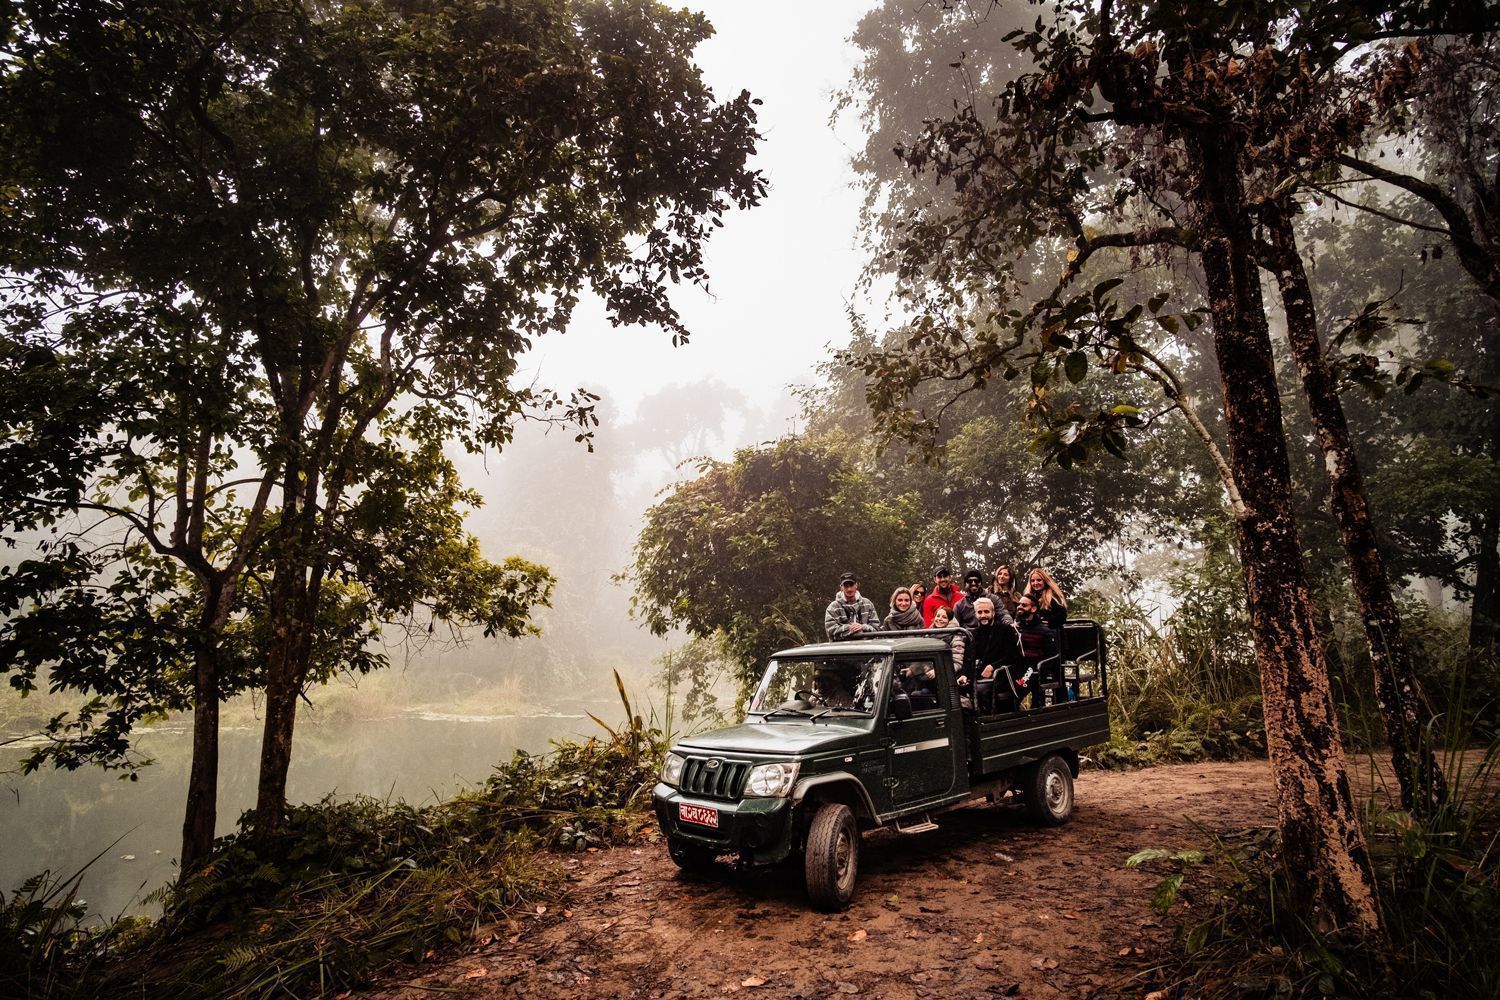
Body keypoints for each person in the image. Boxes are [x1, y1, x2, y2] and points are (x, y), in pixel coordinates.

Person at [1014, 594, 1062, 707]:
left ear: (1033, 609)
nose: (1019, 607)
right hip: (1016, 666)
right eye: (1019, 604)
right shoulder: (1015, 628)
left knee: (1018, 688)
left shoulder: (1044, 631)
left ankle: (1036, 713)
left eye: (1024, 605)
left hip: (1034, 668)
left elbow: (1052, 656)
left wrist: (1041, 669)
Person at [825, 570, 880, 640]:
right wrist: (850, 628)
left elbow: (877, 629)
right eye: (846, 586)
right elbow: (831, 632)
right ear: (841, 587)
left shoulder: (868, 604)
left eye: (851, 585)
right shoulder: (832, 608)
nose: (849, 589)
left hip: (866, 648)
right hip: (842, 649)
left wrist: (862, 627)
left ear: (856, 585)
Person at [929, 605, 969, 699]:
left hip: (950, 678)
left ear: (950, 620)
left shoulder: (956, 636)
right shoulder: (929, 634)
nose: (940, 619)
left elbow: (957, 663)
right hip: (931, 677)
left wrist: (938, 671)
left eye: (944, 617)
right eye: (938, 616)